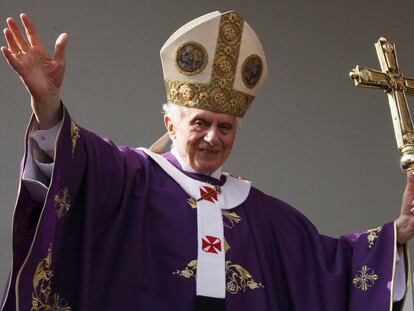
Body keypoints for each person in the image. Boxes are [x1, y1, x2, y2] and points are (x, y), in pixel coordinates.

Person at [1, 10, 414, 311]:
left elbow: (332, 267)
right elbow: (75, 163)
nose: (213, 137)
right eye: (200, 122)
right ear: (171, 123)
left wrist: (396, 233)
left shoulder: (261, 213)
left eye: (226, 126)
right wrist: (49, 106)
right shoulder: (132, 177)